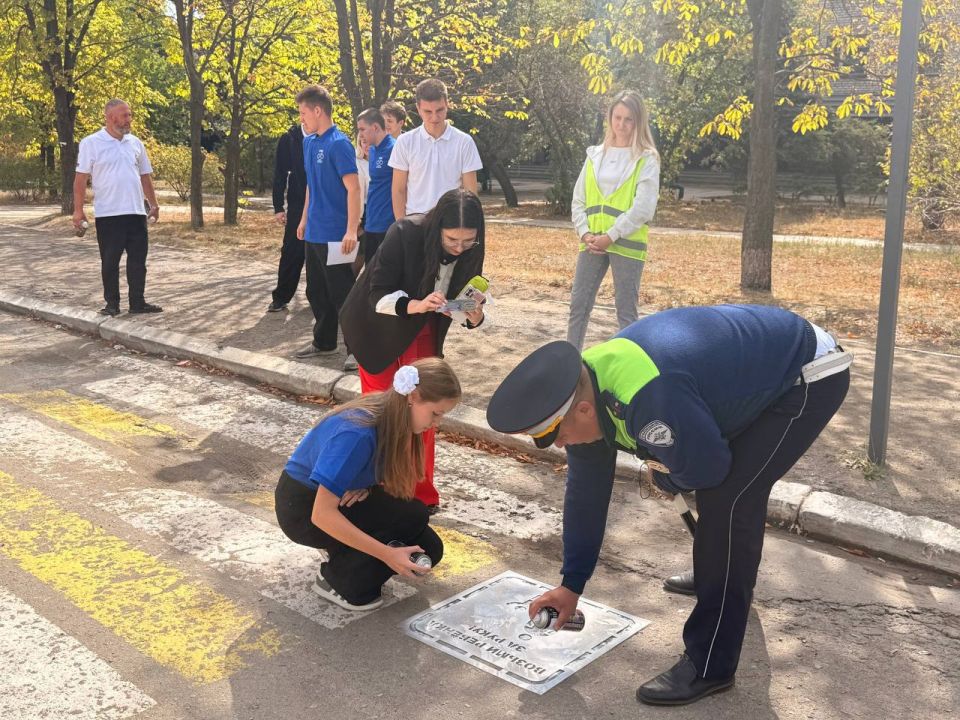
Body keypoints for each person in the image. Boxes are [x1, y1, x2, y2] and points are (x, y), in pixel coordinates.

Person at [486, 304, 853, 706]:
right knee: (719, 493)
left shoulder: (645, 398)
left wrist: (666, 477)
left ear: (584, 410)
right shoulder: (582, 389)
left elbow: (708, 469)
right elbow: (585, 497)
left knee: (729, 500)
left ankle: (710, 664)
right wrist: (571, 584)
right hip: (750, 373)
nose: (559, 445)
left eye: (558, 435)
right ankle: (721, 575)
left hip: (805, 374)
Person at [340, 189, 487, 510]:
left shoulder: (471, 250)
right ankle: (373, 489)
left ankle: (420, 495)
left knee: (425, 410)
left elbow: (461, 303)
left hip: (424, 330)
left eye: (467, 241)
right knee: (384, 413)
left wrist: (474, 316)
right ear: (438, 229)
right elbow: (377, 294)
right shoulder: (405, 233)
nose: (459, 248)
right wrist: (417, 304)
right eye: (451, 241)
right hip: (376, 328)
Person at [275, 357, 460, 610]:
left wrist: (364, 485)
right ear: (412, 396)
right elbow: (321, 514)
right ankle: (334, 579)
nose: (437, 423)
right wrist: (387, 554)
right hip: (302, 509)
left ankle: (345, 553)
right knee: (410, 520)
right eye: (436, 413)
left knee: (429, 547)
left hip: (335, 499)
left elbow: (368, 471)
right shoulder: (357, 431)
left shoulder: (394, 417)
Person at [567, 90, 660, 351]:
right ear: (609, 118)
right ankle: (569, 365)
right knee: (578, 305)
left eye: (628, 119)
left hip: (626, 244)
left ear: (638, 122)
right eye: (617, 117)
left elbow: (643, 208)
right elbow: (578, 199)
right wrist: (585, 233)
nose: (621, 125)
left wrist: (612, 236)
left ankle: (631, 371)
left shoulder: (646, 158)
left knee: (626, 313)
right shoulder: (595, 154)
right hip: (592, 242)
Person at [73, 99, 162, 317]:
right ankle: (112, 304)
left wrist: (153, 203)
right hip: (109, 214)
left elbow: (145, 176)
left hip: (136, 212)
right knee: (110, 261)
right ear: (110, 117)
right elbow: (80, 179)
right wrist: (78, 210)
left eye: (130, 115)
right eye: (125, 115)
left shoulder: (135, 143)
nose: (129, 119)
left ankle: (137, 302)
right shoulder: (91, 142)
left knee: (138, 261)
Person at [294, 85, 360, 372]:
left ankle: (358, 350)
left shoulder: (339, 143)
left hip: (336, 234)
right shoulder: (309, 142)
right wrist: (304, 219)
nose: (301, 119)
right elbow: (311, 185)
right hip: (314, 232)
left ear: (318, 110)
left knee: (343, 293)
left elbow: (354, 188)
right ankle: (324, 342)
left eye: (303, 112)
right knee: (316, 291)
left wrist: (351, 230)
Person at [389, 78, 483, 219]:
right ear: (418, 109)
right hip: (415, 222)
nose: (434, 117)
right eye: (428, 111)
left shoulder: (464, 142)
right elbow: (398, 190)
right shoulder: (405, 142)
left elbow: (471, 194)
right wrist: (401, 226)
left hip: (451, 223)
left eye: (440, 110)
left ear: (447, 104)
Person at [267, 122, 309, 313]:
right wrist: (278, 206)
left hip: (323, 203)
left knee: (319, 253)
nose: (303, 117)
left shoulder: (328, 137)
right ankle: (281, 297)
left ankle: (318, 297)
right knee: (292, 250)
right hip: (297, 203)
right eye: (301, 113)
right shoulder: (289, 138)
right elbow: (280, 173)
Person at [356, 107, 395, 266]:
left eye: (362, 129)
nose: (360, 134)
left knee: (385, 277)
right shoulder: (372, 150)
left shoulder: (394, 148)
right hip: (371, 224)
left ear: (376, 127)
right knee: (370, 276)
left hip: (388, 226)